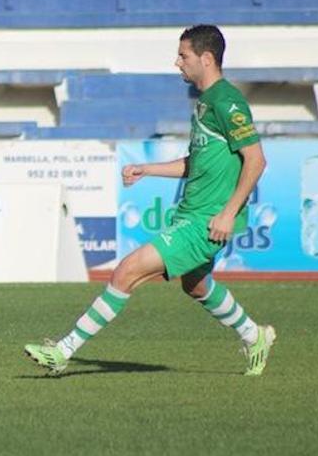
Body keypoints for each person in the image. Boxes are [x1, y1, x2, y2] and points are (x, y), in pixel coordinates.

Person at [25, 24, 276, 376]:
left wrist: (227, 213)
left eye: (183, 55)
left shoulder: (227, 101)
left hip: (207, 219)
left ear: (206, 58)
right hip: (191, 213)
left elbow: (256, 160)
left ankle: (63, 351)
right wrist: (148, 168)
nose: (177, 62)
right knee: (196, 284)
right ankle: (255, 335)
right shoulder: (206, 102)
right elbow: (195, 163)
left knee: (126, 270)